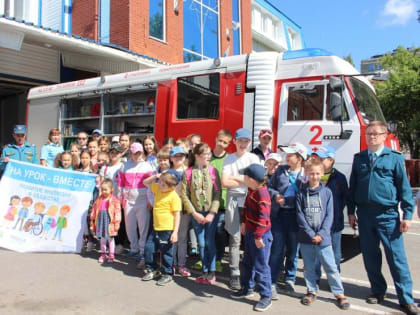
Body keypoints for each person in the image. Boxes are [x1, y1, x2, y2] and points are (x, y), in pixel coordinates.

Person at [348, 121, 418, 315]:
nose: (372, 137)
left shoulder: (394, 158)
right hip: (365, 214)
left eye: (376, 134)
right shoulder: (359, 158)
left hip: (387, 215)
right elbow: (353, 187)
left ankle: (406, 299)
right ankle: (378, 290)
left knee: (396, 259)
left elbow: (404, 189)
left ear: (384, 135)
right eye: (369, 133)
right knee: (371, 257)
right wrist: (351, 211)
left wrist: (408, 215)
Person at [296, 158, 350, 309]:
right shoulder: (301, 193)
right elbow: (300, 216)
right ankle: (311, 290)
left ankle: (339, 293)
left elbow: (329, 216)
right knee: (309, 267)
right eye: (311, 173)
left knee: (331, 266)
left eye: (317, 173)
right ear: (306, 173)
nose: (314, 176)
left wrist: (321, 233)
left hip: (323, 239)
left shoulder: (327, 192)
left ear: (322, 173)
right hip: (306, 239)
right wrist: (310, 233)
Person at [231, 164, 272, 312]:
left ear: (251, 179)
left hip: (260, 235)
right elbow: (247, 209)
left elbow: (264, 218)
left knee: (261, 266)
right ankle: (247, 288)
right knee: (247, 261)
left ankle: (266, 296)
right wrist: (243, 222)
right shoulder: (252, 190)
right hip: (250, 232)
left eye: (245, 177)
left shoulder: (262, 194)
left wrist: (258, 236)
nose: (243, 179)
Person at [222, 128, 260, 290]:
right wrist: (245, 180)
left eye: (246, 141)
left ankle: (251, 271)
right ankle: (235, 272)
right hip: (234, 202)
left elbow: (256, 182)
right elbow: (224, 182)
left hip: (251, 202)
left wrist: (236, 178)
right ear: (235, 141)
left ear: (250, 143)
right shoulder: (229, 159)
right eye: (240, 141)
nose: (243, 144)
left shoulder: (254, 158)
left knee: (252, 239)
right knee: (235, 238)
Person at [268, 142, 307, 297]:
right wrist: (275, 195)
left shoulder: (306, 174)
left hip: (296, 217)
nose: (286, 157)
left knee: (293, 250)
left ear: (299, 158)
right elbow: (269, 187)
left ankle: (290, 279)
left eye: (290, 155)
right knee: (277, 249)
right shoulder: (280, 171)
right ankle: (272, 280)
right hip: (279, 215)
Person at [181, 143, 221, 284]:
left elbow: (217, 194)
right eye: (206, 154)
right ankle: (204, 270)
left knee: (210, 242)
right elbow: (185, 195)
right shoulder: (188, 173)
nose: (209, 156)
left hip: (210, 213)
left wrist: (211, 213)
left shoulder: (213, 171)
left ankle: (211, 271)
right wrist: (194, 213)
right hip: (196, 213)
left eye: (209, 153)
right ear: (197, 156)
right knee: (202, 243)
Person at [311, 146, 348, 275]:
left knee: (335, 255)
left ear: (331, 160)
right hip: (316, 224)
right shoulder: (313, 176)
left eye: (322, 158)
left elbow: (344, 198)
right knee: (315, 255)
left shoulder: (340, 178)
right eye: (317, 158)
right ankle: (314, 279)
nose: (319, 160)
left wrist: (335, 213)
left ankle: (334, 279)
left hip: (334, 225)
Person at [142, 170, 181, 286]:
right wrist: (155, 176)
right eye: (160, 183)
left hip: (167, 229)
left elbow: (177, 215)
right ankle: (152, 269)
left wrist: (175, 232)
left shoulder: (174, 196)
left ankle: (167, 273)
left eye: (163, 185)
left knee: (166, 252)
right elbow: (145, 182)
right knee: (149, 248)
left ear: (171, 187)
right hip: (156, 227)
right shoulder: (158, 189)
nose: (160, 185)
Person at [117, 143, 153, 260]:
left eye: (139, 153)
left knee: (143, 227)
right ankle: (134, 248)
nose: (137, 155)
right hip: (128, 200)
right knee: (130, 226)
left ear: (142, 152)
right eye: (134, 153)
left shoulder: (148, 166)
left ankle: (142, 250)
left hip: (142, 200)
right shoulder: (124, 166)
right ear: (131, 153)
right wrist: (120, 198)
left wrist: (150, 200)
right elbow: (120, 184)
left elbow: (151, 186)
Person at [210, 129, 232, 272]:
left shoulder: (230, 158)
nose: (222, 144)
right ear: (216, 139)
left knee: (219, 231)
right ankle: (206, 258)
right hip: (206, 201)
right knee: (207, 232)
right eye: (220, 141)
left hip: (223, 202)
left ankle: (217, 258)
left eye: (225, 142)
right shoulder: (207, 156)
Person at [169, 146, 192, 277]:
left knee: (182, 237)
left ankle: (181, 264)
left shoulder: (188, 172)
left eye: (181, 156)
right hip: (170, 209)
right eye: (176, 156)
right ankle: (171, 262)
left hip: (183, 208)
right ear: (171, 158)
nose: (179, 158)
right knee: (172, 237)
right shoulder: (167, 172)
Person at [90, 179, 122, 263]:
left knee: (110, 239)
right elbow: (94, 209)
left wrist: (116, 224)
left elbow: (117, 213)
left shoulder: (115, 200)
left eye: (105, 189)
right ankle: (103, 254)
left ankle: (111, 255)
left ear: (111, 189)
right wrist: (92, 218)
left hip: (109, 223)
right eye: (102, 189)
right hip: (101, 221)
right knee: (102, 239)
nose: (103, 191)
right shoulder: (99, 200)